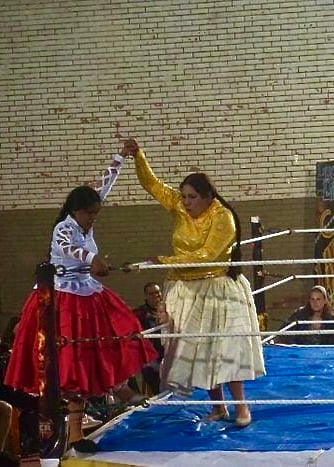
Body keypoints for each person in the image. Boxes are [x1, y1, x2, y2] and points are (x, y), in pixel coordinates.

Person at [4, 145, 158, 453]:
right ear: (76, 210)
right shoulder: (64, 228)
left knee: (105, 342)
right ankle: (72, 430)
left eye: (95, 214)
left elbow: (104, 184)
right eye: (89, 214)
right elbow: (67, 249)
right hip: (61, 301)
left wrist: (120, 158)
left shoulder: (86, 221)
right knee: (69, 361)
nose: (92, 219)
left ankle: (112, 396)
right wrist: (91, 258)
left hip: (85, 293)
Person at [123, 138, 265, 427]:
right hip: (187, 290)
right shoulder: (180, 207)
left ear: (208, 196)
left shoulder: (223, 217)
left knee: (225, 350)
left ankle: (241, 407)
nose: (186, 202)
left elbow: (207, 256)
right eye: (184, 196)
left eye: (192, 197)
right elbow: (152, 184)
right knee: (200, 348)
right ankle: (218, 407)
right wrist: (138, 154)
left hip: (219, 289)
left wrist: (160, 260)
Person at [133, 282, 165, 395]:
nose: (157, 296)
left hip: (170, 353)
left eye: (158, 292)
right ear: (146, 296)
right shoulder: (138, 314)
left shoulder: (170, 310)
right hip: (151, 358)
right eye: (152, 294)